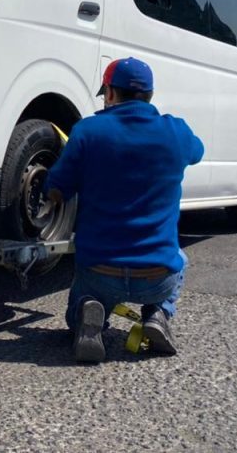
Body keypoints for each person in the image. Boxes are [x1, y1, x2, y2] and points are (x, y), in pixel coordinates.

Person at [45, 57, 204, 362]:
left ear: (111, 94)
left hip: (100, 269)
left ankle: (88, 313)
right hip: (157, 275)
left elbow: (56, 186)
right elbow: (197, 152)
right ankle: (158, 314)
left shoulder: (88, 131)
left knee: (84, 292)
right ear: (150, 96)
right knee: (180, 259)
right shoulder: (176, 131)